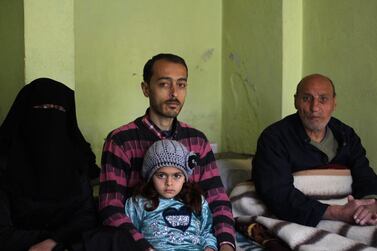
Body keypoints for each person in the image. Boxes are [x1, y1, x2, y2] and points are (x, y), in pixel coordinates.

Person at [99, 53, 235, 251]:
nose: (174, 93)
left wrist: (225, 244)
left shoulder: (197, 141)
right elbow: (110, 208)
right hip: (142, 243)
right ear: (146, 89)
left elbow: (217, 199)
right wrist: (144, 246)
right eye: (164, 84)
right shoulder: (121, 141)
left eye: (181, 85)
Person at [252, 73, 377, 227]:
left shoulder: (346, 135)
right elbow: (277, 193)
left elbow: (365, 176)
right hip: (303, 219)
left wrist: (371, 203)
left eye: (323, 99)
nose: (315, 107)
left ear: (334, 103)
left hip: (351, 215)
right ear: (296, 101)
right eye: (306, 98)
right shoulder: (274, 138)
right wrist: (337, 212)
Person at [0, 78, 99, 251]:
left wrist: (54, 241)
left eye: (59, 110)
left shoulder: (75, 160)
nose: (50, 119)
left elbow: (86, 216)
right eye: (42, 109)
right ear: (25, 114)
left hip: (66, 244)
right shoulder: (5, 164)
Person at [124, 139, 218, 251]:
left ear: (185, 178)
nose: (169, 183)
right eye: (161, 175)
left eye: (177, 176)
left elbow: (207, 233)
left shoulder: (197, 200)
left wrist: (209, 248)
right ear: (150, 176)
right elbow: (129, 236)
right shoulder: (138, 203)